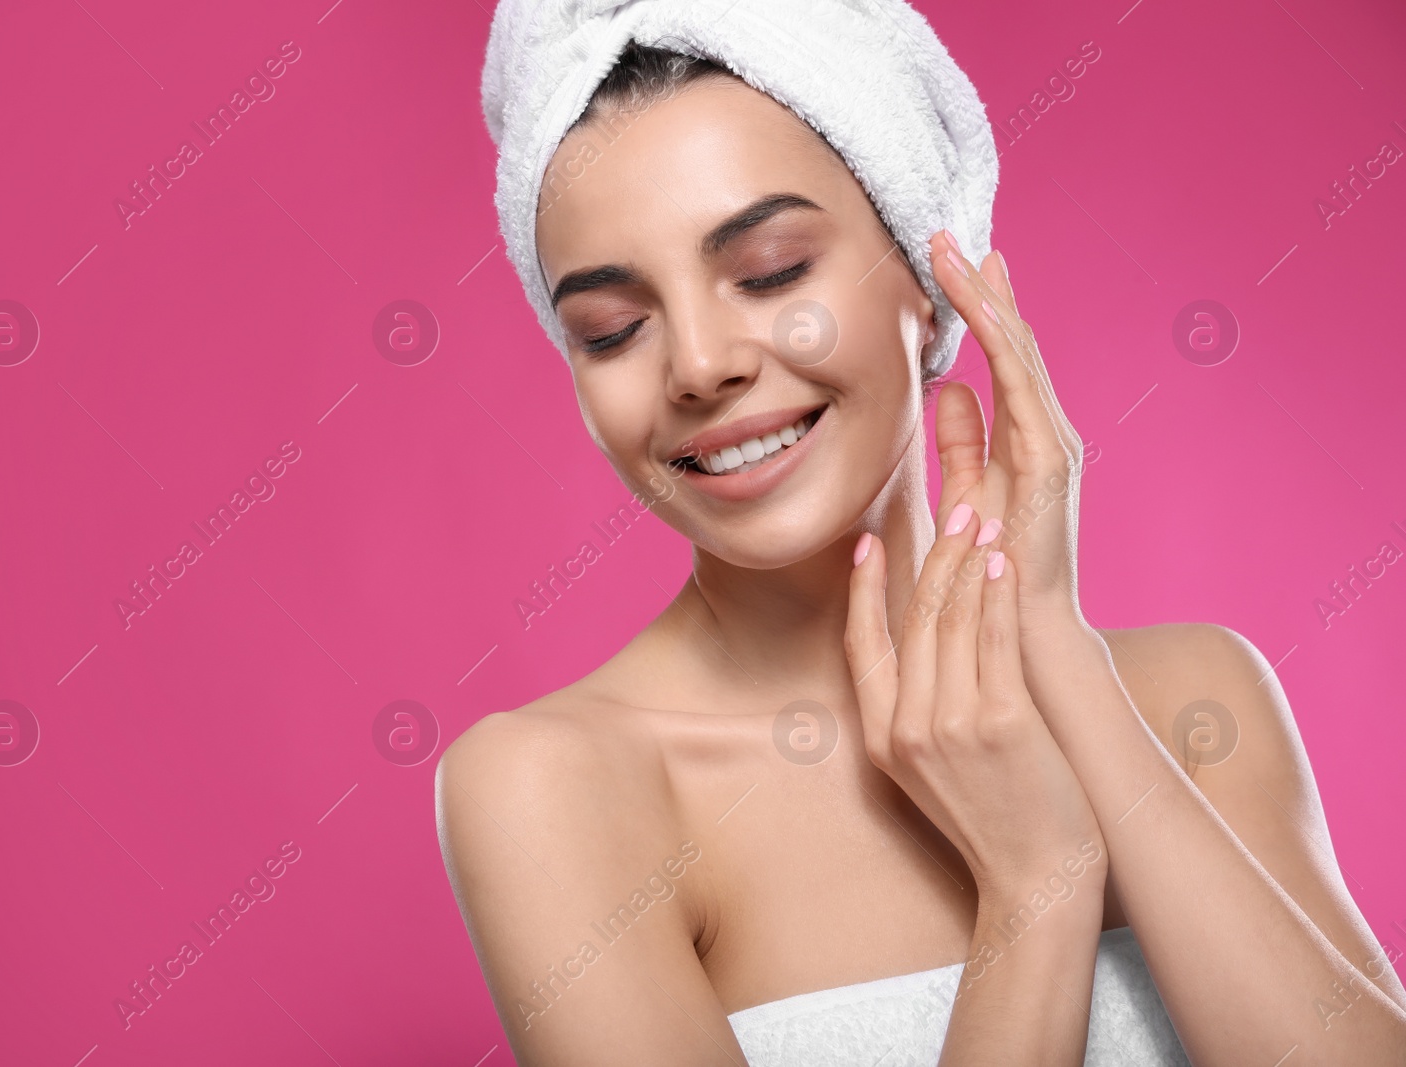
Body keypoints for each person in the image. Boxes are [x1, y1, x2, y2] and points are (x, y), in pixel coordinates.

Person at [436, 8, 1406, 1065]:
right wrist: (1034, 884)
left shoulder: (1194, 699)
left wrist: (1058, 655)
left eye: (768, 271)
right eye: (612, 329)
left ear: (927, 272)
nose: (698, 365)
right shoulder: (556, 788)